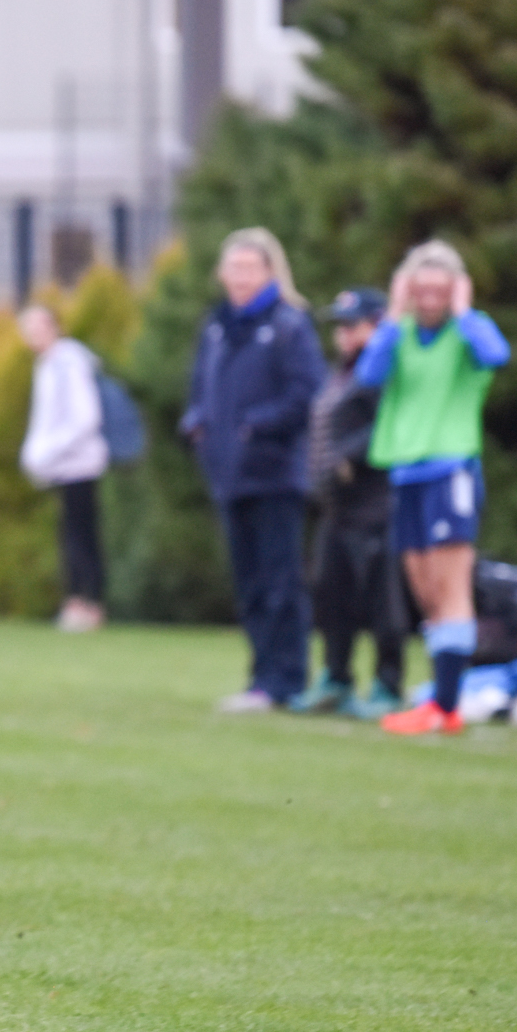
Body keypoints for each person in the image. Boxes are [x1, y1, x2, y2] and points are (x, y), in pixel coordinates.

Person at [358, 241, 511, 735]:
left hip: (451, 472)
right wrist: (395, 313)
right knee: (423, 589)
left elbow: (496, 354)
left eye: (438, 289)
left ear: (454, 290)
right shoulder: (398, 334)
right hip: (406, 474)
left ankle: (445, 707)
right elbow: (369, 373)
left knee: (450, 585)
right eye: (419, 288)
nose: (429, 298)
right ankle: (442, 697)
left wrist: (464, 311)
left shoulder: (469, 334)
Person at [179, 228, 327, 711]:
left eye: (250, 268)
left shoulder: (288, 325)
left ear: (270, 272)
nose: (241, 277)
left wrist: (256, 427)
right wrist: (198, 424)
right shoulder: (217, 328)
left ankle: (286, 679)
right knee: (249, 585)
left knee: (280, 582)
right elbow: (202, 389)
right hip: (229, 476)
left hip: (275, 474)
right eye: (234, 268)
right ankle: (262, 675)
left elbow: (307, 393)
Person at [291, 288, 407, 719]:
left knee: (382, 598)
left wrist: (347, 459)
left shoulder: (381, 372)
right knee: (331, 592)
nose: (343, 334)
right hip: (336, 507)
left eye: (352, 325)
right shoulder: (339, 373)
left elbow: (390, 422)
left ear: (378, 325)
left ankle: (388, 683)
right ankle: (336, 677)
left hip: (373, 503)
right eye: (339, 325)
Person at [18, 305, 109, 632]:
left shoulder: (69, 362)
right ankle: (77, 600)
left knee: (81, 535)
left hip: (80, 463)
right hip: (62, 464)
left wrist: (49, 451)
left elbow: (85, 418)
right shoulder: (47, 365)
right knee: (71, 533)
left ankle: (87, 603)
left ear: (54, 327)